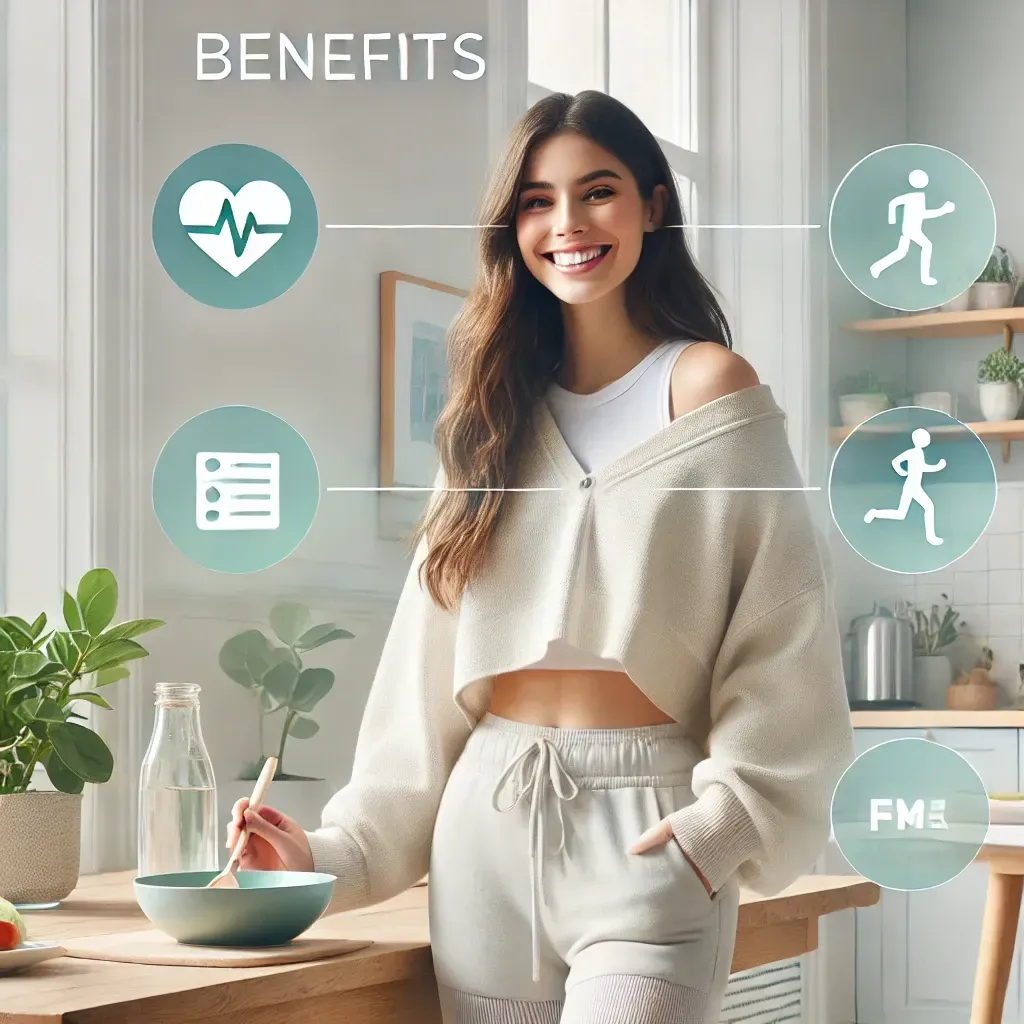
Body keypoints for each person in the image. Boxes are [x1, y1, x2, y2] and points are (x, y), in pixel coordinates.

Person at [226, 90, 854, 1024]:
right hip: (484, 835)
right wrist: (328, 851)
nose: (567, 224)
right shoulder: (489, 417)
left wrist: (716, 834)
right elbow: (423, 675)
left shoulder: (711, 390)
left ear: (652, 204)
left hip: (650, 833)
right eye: (535, 200)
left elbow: (782, 629)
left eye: (596, 192)